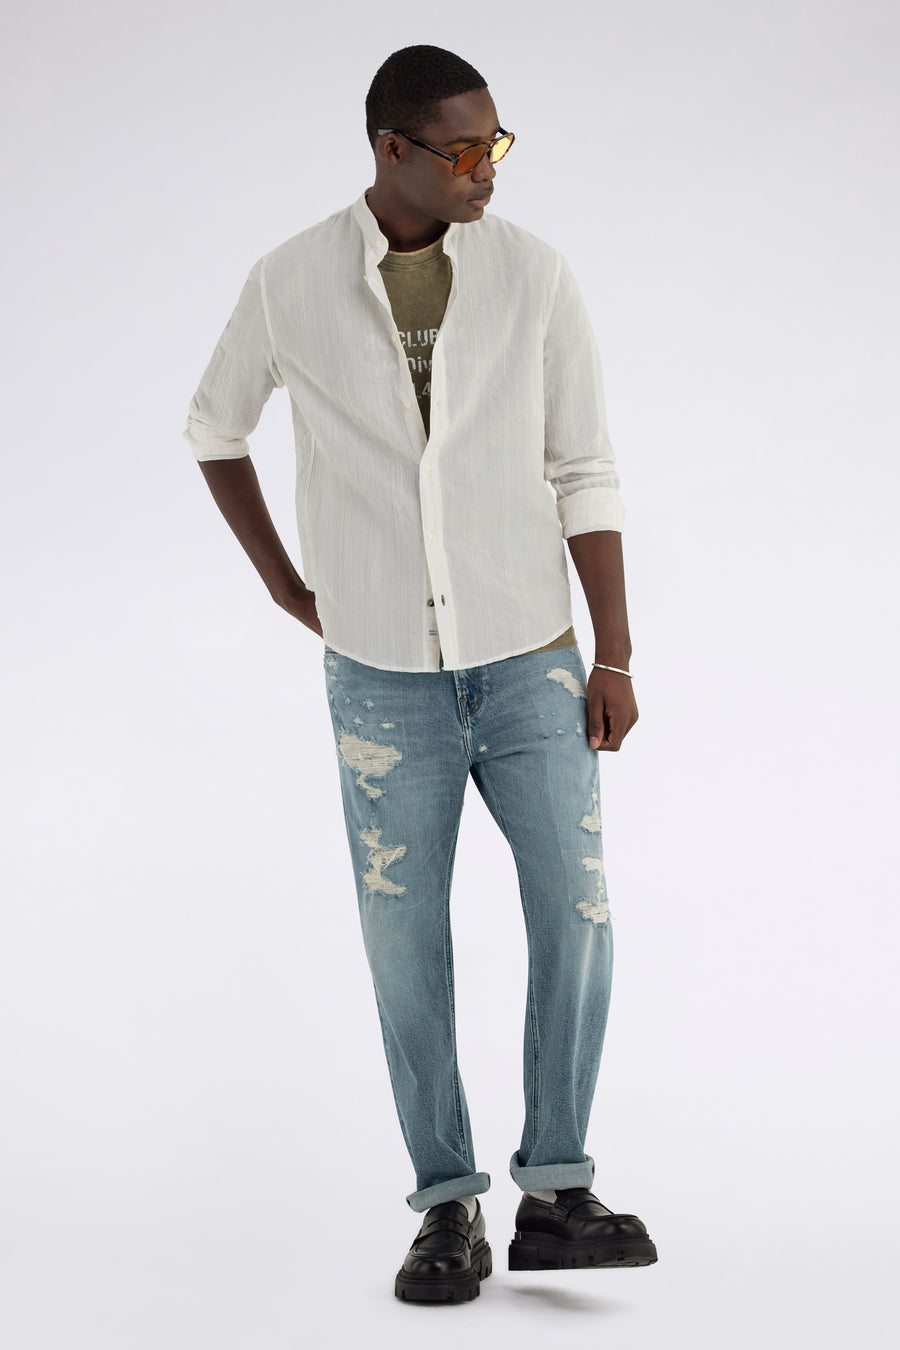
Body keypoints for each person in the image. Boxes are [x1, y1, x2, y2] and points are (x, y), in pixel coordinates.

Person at [184, 43, 657, 1304]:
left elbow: (585, 466)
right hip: (382, 680)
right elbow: (215, 427)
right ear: (390, 148)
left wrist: (613, 648)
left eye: (495, 144)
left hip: (532, 662)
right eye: (462, 150)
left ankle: (556, 1191)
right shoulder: (290, 282)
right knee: (405, 945)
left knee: (576, 913)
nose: (486, 169)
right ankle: (447, 1205)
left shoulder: (534, 275)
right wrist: (284, 584)